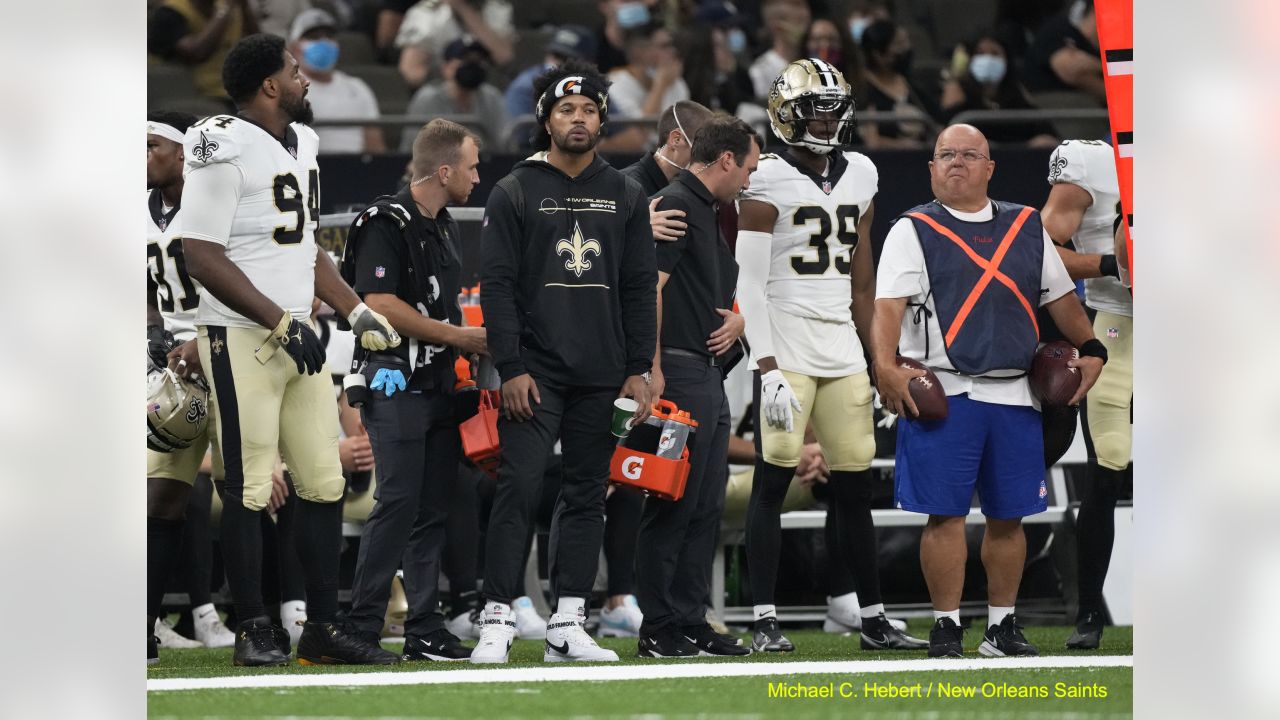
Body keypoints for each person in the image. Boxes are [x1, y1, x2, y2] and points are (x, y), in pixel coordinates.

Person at [179, 33, 401, 667]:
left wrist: (356, 310)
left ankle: (321, 628)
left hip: (296, 336)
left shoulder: (302, 142)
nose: (305, 79)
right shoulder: (218, 140)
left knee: (323, 480)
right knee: (248, 485)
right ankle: (254, 625)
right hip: (240, 337)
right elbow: (200, 252)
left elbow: (305, 248)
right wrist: (279, 321)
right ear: (270, 86)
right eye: (295, 70)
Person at [871, 123, 1107, 659]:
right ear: (930, 167)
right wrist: (883, 367)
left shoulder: (1027, 225)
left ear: (990, 167)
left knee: (1011, 516)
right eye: (946, 155)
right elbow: (886, 309)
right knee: (945, 515)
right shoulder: (910, 230)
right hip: (944, 392)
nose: (957, 162)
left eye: (969, 154)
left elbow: (1061, 300)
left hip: (1015, 394)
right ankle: (946, 627)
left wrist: (1094, 348)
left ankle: (1001, 627)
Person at [736, 59, 928, 654]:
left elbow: (863, 281)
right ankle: (763, 617)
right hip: (786, 337)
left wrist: (881, 361)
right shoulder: (765, 177)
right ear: (784, 114)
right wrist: (763, 364)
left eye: (831, 109)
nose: (823, 120)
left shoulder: (863, 172)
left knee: (853, 487)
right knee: (774, 478)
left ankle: (871, 616)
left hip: (842, 344)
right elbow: (747, 284)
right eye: (811, 109)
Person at [473, 58, 656, 664]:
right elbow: (495, 287)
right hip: (536, 372)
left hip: (604, 372)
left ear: (603, 119)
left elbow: (637, 287)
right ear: (546, 119)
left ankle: (568, 622)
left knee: (587, 493)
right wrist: (512, 365)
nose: (578, 119)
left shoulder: (627, 192)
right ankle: (497, 616)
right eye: (565, 109)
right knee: (519, 489)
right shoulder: (514, 189)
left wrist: (640, 366)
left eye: (589, 110)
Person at [335, 118, 487, 662]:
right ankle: (360, 626)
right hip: (393, 380)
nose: (477, 175)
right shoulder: (385, 219)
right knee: (397, 501)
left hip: (441, 383)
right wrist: (458, 334)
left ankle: (425, 625)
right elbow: (378, 302)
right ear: (443, 170)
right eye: (471, 165)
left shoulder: (444, 224)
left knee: (431, 508)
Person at [635, 116, 759, 659]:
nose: (749, 181)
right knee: (674, 501)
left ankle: (690, 619)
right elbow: (651, 290)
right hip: (680, 373)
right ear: (726, 160)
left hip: (705, 375)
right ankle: (659, 625)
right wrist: (653, 367)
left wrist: (737, 319)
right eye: (748, 168)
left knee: (704, 505)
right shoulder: (678, 205)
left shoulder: (705, 209)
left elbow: (697, 289)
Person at [146, 109, 238, 663]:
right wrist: (154, 337)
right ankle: (143, 628)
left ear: (184, 152)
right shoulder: (139, 208)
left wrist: (202, 343)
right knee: (161, 498)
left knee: (247, 491)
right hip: (173, 371)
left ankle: (264, 620)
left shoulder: (215, 201)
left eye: (153, 145)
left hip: (226, 351)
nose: (143, 157)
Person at [1040, 138, 1131, 649]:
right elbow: (1043, 248)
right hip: (1118, 322)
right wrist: (1112, 265)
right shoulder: (1093, 159)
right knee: (1106, 471)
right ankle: (1089, 612)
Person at [287, 9, 388, 154]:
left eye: (329, 36)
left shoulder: (357, 88)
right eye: (313, 37)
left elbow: (375, 146)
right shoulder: (289, 89)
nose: (323, 42)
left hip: (357, 171)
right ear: (294, 47)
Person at [940, 32, 1058, 147]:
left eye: (995, 53)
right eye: (980, 53)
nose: (987, 59)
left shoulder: (1020, 104)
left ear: (1007, 62)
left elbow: (1049, 137)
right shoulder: (961, 105)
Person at [402, 35, 508, 151]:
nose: (474, 65)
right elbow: (413, 151)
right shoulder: (428, 98)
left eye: (478, 60)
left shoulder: (491, 97)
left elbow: (505, 145)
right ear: (446, 67)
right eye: (466, 59)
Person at [148, 0, 260, 101]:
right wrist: (223, 13)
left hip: (233, 91)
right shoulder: (169, 12)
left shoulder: (228, 6)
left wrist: (244, 7)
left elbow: (258, 47)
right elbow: (197, 53)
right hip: (191, 95)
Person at [395, 0, 515, 90]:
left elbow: (504, 57)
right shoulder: (425, 14)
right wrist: (452, 74)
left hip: (486, 89)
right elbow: (411, 72)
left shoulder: (497, 9)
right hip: (440, 93)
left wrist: (464, 10)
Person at [857, 19, 937, 149]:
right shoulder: (863, 89)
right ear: (878, 54)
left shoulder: (910, 84)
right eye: (898, 44)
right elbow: (872, 140)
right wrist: (907, 146)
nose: (906, 49)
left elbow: (937, 122)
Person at [504, 25, 597, 119]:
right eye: (555, 55)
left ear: (587, 63)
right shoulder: (525, 87)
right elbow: (521, 131)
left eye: (566, 59)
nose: (557, 63)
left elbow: (611, 125)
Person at [1022, 0, 1106, 103]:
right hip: (1049, 103)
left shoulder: (1102, 48)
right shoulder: (1061, 30)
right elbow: (1072, 70)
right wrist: (1105, 67)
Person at [606, 25, 690, 121]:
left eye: (672, 45)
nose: (673, 51)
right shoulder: (616, 85)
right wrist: (660, 86)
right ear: (638, 52)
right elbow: (640, 130)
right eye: (664, 46)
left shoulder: (676, 83)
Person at [748, 0, 810, 101]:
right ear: (777, 26)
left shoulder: (815, 62)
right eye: (798, 21)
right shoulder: (761, 71)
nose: (806, 29)